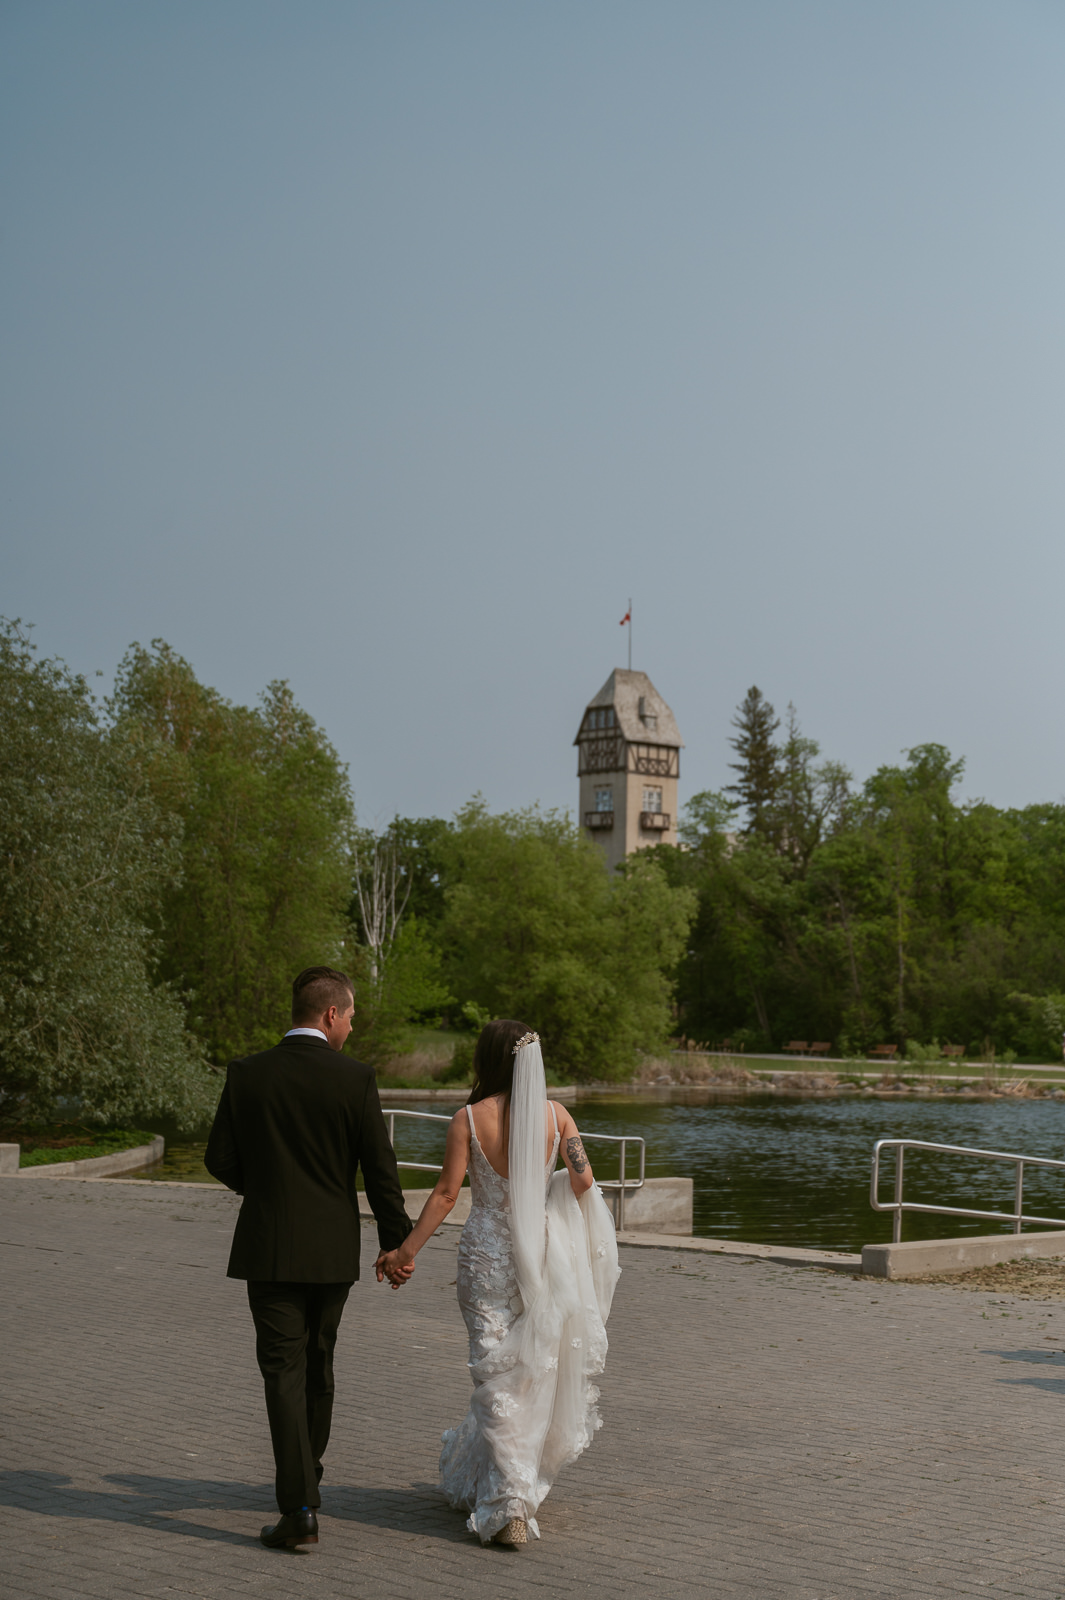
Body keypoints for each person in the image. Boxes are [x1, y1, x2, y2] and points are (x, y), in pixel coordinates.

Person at [378, 1019, 620, 1547]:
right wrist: (545, 1190)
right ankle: (510, 1485)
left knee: (493, 1368)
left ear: (487, 1060)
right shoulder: (558, 1118)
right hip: (540, 1254)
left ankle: (509, 1503)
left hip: (487, 1254)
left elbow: (445, 1195)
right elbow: (584, 1183)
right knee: (529, 1369)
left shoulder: (467, 1118)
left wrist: (404, 1253)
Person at [204, 965, 412, 1551]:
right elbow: (380, 1170)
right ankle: (303, 1486)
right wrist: (394, 1243)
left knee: (283, 1373)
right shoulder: (355, 1079)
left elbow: (219, 1158)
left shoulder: (247, 1074)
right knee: (318, 1366)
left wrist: (266, 1189)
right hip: (331, 1250)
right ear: (330, 1014)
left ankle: (299, 1502)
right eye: (350, 1016)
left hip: (268, 1247)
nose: (352, 1026)